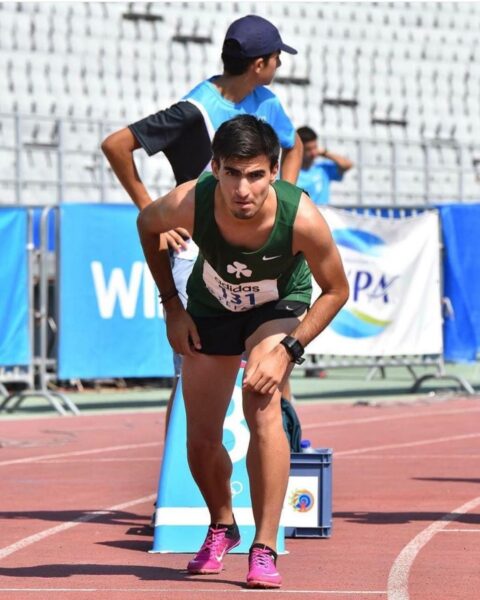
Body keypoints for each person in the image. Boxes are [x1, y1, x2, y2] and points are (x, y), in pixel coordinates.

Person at [137, 115, 349, 589]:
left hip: (277, 308)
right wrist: (173, 306)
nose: (242, 188)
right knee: (201, 438)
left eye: (254, 174)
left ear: (274, 171)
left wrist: (289, 349)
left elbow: (336, 290)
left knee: (261, 401)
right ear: (215, 168)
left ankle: (265, 545)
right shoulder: (193, 199)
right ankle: (222, 525)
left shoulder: (303, 218)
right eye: (231, 173)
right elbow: (146, 225)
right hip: (213, 306)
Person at [101, 15, 303, 429]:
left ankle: (281, 449)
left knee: (273, 361)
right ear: (259, 64)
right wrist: (150, 212)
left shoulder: (266, 102)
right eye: (278, 58)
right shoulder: (194, 111)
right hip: (200, 257)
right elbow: (116, 144)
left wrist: (288, 198)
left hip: (258, 253)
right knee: (193, 370)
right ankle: (181, 475)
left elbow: (294, 144)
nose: (280, 66)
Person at [296, 125, 353, 205]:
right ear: (299, 149)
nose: (313, 153)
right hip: (302, 215)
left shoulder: (323, 169)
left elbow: (347, 165)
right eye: (308, 149)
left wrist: (324, 153)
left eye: (315, 147)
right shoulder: (291, 172)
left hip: (323, 214)